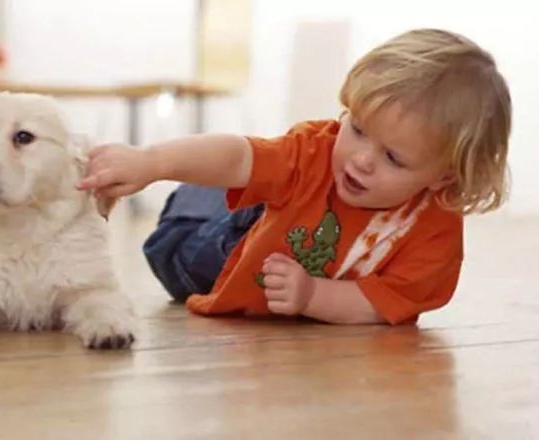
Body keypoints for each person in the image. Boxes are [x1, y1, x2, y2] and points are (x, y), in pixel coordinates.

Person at [78, 29, 512, 325]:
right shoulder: (318, 150)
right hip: (210, 249)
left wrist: (312, 297)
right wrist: (151, 162)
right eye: (357, 128)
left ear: (443, 178)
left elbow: (384, 303)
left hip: (268, 260)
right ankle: (205, 188)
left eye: (394, 158)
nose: (361, 159)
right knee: (187, 222)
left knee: (251, 183)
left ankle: (231, 192)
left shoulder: (434, 234)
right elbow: (237, 157)